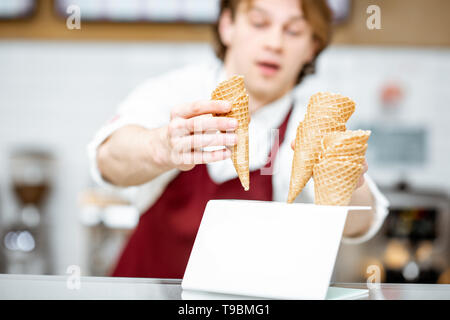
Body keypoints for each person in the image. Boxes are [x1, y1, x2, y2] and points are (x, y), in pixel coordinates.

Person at [87, 0, 389, 278]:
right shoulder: (177, 93)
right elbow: (107, 160)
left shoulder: (308, 125)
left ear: (312, 47)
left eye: (294, 31)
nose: (275, 43)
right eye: (259, 23)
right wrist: (159, 147)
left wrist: (345, 181)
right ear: (227, 26)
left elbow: (362, 222)